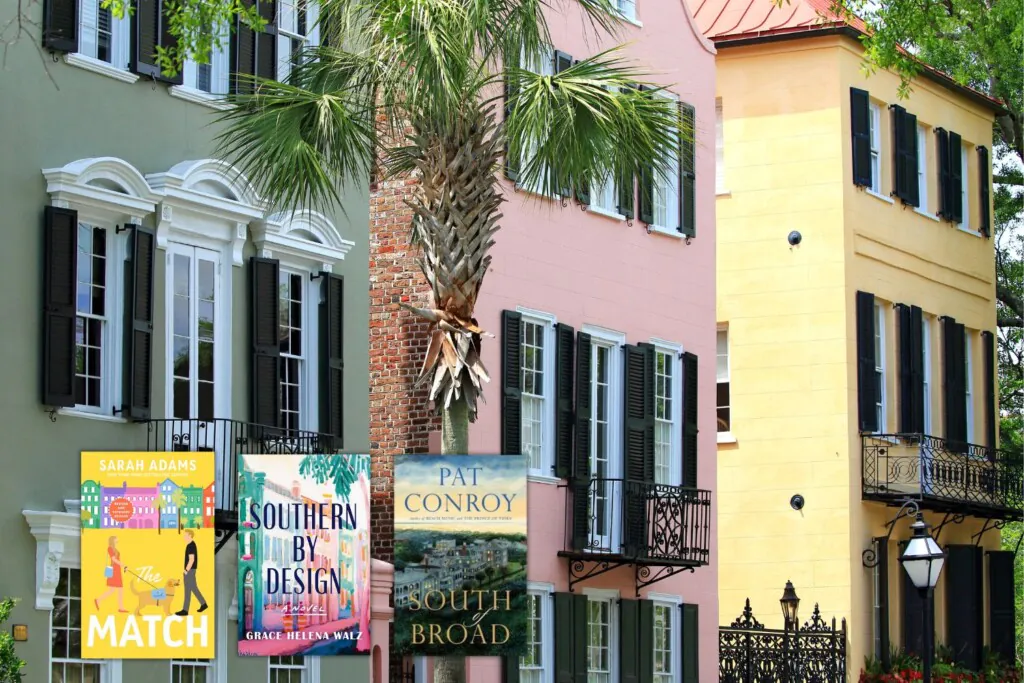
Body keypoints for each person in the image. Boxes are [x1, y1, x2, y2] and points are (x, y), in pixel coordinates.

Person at [175, 529, 208, 616]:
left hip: (190, 571)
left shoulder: (191, 546)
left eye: (185, 535)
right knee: (193, 588)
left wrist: (186, 570)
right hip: (191, 570)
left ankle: (185, 610)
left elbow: (191, 559)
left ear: (190, 535)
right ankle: (203, 604)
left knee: (188, 590)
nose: (184, 537)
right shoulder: (191, 545)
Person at [95, 536, 129, 613]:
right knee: (115, 589)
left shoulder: (115, 549)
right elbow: (113, 559)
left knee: (115, 589)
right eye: (116, 540)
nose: (117, 541)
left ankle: (120, 607)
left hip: (117, 570)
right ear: (112, 540)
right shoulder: (110, 548)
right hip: (114, 570)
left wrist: (122, 566)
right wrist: (122, 564)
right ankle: (120, 607)